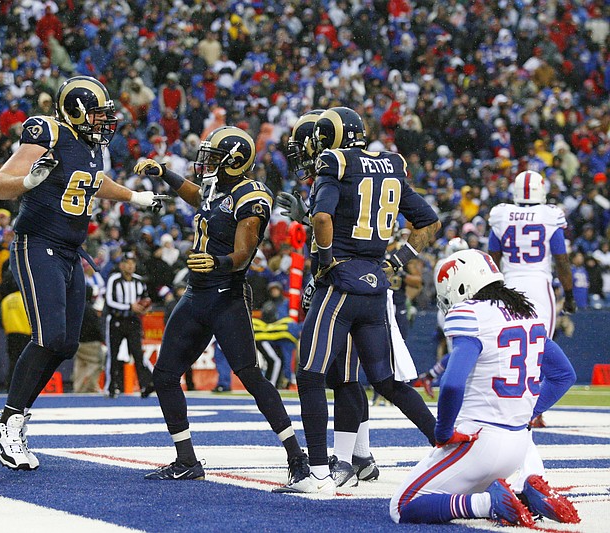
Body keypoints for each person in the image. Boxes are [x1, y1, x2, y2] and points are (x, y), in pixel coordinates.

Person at [0, 75, 159, 470]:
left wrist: (135, 197)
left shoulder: (90, 149)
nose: (103, 122)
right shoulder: (48, 132)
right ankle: (8, 422)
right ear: (76, 111)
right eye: (97, 114)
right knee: (48, 338)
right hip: (37, 244)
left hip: (68, 251)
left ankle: (12, 419)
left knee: (65, 343)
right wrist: (28, 181)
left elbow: (95, 183)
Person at [133, 126, 307, 481]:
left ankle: (296, 456)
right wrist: (165, 173)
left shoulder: (252, 194)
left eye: (214, 157)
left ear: (235, 161)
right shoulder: (218, 188)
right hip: (197, 294)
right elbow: (198, 197)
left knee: (249, 375)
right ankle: (186, 460)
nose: (206, 163)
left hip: (227, 294)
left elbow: (243, 253)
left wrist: (218, 262)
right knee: (164, 375)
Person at [287, 107, 440, 493]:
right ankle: (445, 443)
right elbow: (430, 222)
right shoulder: (388, 164)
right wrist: (397, 260)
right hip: (375, 284)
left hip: (341, 284)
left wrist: (325, 264)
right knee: (386, 381)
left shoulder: (334, 162)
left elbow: (325, 220)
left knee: (311, 374)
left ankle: (320, 472)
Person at [389, 249, 579, 526]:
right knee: (458, 488)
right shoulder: (525, 311)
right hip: (517, 445)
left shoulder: (469, 312)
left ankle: (488, 503)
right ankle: (524, 493)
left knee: (402, 506)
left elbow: (452, 384)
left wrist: (442, 431)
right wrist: (526, 413)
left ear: (463, 284)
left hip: (479, 441)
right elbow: (564, 375)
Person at [488, 170, 575, 337]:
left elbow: (492, 260)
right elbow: (562, 262)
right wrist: (569, 295)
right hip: (539, 285)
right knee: (543, 344)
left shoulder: (502, 214)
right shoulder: (549, 214)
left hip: (509, 285)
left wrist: (493, 290)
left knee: (511, 344)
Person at [103, 251, 154, 398]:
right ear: (121, 265)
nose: (130, 266)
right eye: (127, 263)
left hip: (133, 321)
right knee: (113, 354)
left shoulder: (139, 281)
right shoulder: (114, 279)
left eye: (132, 263)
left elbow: (145, 298)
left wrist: (146, 307)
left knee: (138, 354)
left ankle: (145, 386)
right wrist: (129, 306)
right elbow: (110, 301)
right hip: (117, 320)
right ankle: (111, 387)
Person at [72, 285, 105, 393]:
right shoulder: (90, 310)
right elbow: (96, 327)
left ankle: (79, 388)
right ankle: (90, 387)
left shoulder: (76, 307)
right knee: (96, 363)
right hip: (91, 343)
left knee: (80, 364)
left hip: (78, 342)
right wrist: (102, 338)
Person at [0, 289, 32, 390]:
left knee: (13, 361)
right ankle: (23, 386)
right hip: (25, 334)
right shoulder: (27, 299)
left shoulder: (6, 300)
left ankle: (10, 385)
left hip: (11, 334)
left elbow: (1, 321)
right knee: (26, 362)